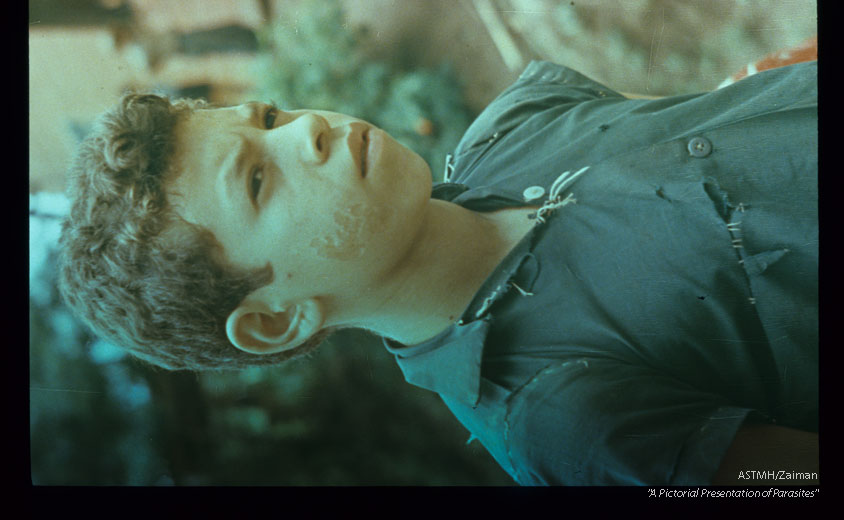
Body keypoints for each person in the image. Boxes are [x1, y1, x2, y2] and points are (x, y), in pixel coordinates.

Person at [58, 58, 818, 486]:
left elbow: (739, 99)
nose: (307, 131)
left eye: (270, 118)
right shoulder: (567, 419)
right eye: (259, 180)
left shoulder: (513, 119)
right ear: (275, 319)